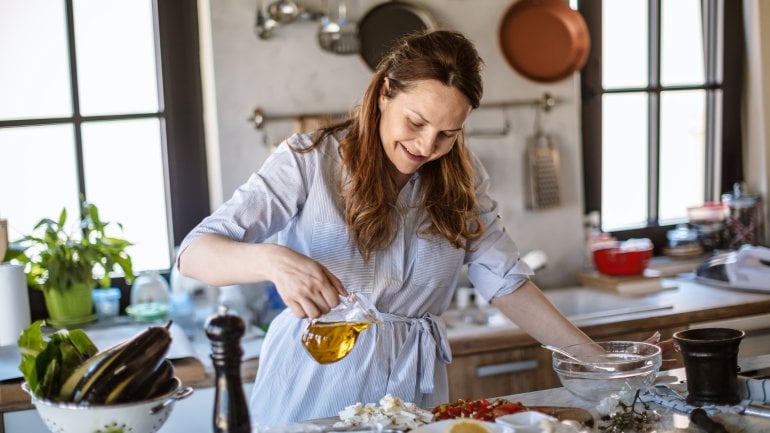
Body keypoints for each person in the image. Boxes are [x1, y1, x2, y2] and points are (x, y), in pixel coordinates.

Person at [178, 30, 626, 424]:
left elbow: (505, 282)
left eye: (448, 133)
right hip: (314, 378)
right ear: (384, 93)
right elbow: (193, 254)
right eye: (416, 122)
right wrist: (272, 260)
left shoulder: (463, 177)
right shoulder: (309, 160)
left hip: (413, 389)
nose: (426, 146)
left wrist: (599, 361)